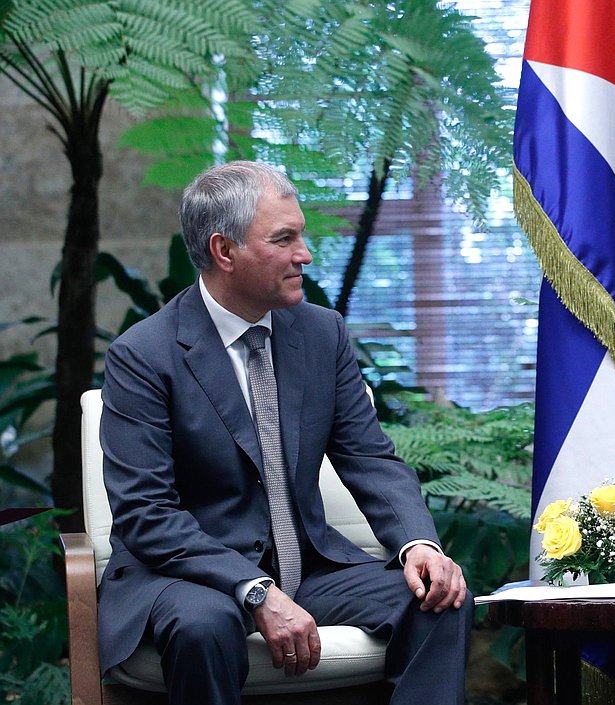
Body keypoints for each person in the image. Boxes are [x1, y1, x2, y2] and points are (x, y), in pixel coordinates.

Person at [96, 161, 472, 705]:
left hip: (310, 569)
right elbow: (145, 512)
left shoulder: (323, 334)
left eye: (301, 235)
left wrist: (419, 543)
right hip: (189, 578)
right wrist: (254, 590)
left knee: (440, 599)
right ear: (225, 251)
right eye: (285, 239)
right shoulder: (143, 356)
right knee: (203, 625)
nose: (306, 254)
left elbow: (370, 457)